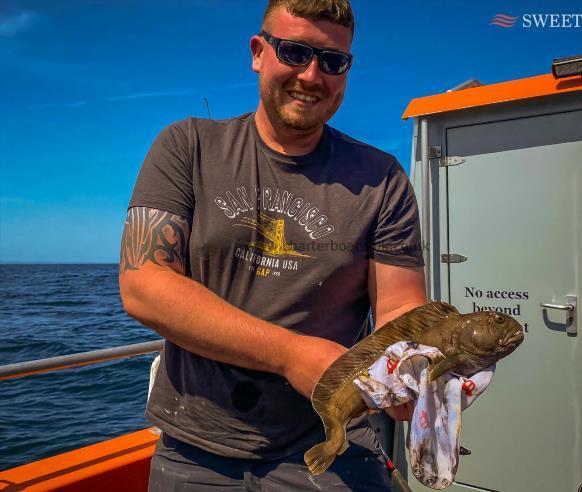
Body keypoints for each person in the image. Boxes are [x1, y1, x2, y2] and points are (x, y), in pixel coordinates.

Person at [118, 0, 426, 490]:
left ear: (347, 69)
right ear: (258, 52)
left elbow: (400, 307)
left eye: (332, 61)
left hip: (331, 440)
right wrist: (290, 355)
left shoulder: (382, 179)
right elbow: (144, 283)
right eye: (294, 52)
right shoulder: (187, 146)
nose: (311, 74)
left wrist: (412, 369)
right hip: (193, 449)